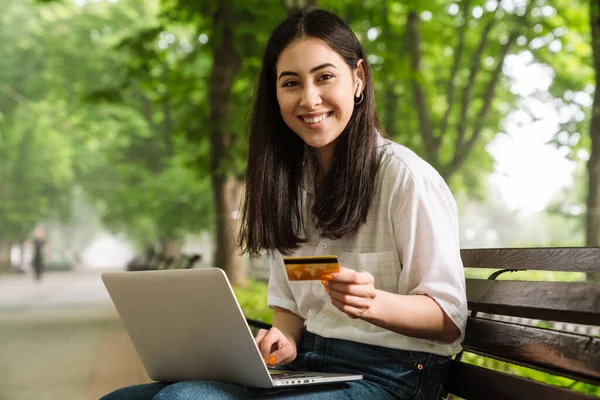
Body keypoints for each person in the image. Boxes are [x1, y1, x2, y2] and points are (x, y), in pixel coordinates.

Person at [101, 8, 467, 400]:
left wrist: (374, 303)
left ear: (358, 79)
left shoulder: (405, 178)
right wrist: (284, 339)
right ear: (275, 94)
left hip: (395, 375)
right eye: (291, 83)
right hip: (311, 365)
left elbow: (448, 319)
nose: (309, 99)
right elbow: (290, 307)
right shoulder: (288, 188)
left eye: (325, 77)